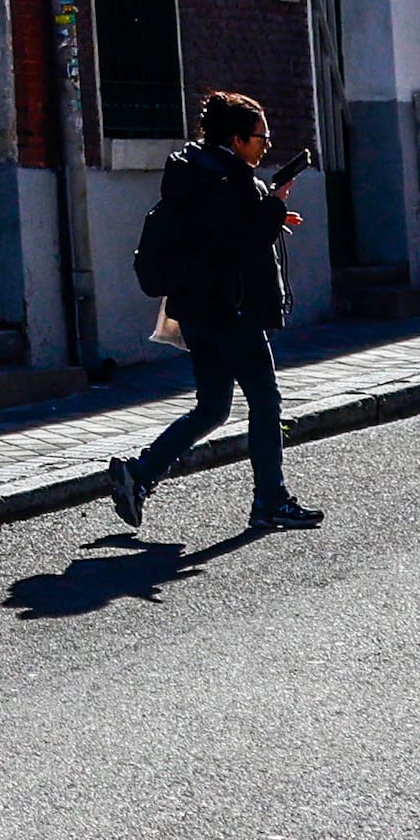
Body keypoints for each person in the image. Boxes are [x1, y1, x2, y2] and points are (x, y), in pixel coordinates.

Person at [109, 91, 321, 537]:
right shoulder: (232, 181)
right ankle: (271, 500)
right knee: (265, 402)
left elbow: (218, 234)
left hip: (196, 311)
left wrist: (270, 213)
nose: (266, 145)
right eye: (261, 137)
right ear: (237, 139)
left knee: (212, 407)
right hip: (232, 311)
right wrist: (273, 205)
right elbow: (239, 245)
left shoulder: (195, 173)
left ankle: (140, 474)